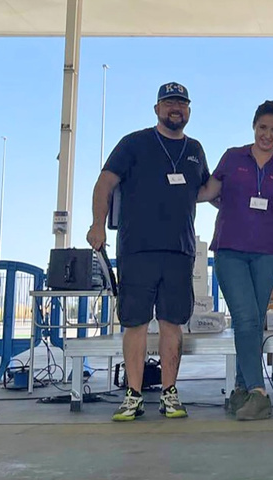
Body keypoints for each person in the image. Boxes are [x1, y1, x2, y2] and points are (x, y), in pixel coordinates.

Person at [87, 82, 210, 422]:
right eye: (169, 102)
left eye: (182, 104)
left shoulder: (195, 150)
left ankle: (170, 393)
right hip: (137, 249)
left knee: (173, 324)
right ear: (156, 108)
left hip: (179, 251)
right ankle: (133, 395)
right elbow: (105, 183)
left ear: (189, 110)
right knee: (135, 323)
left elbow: (206, 191)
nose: (176, 108)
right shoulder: (133, 143)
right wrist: (97, 225)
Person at [199, 101, 273, 421]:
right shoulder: (232, 156)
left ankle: (241, 388)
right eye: (263, 128)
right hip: (229, 249)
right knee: (244, 316)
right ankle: (258, 392)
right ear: (253, 126)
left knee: (252, 319)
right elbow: (209, 191)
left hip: (268, 251)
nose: (268, 135)